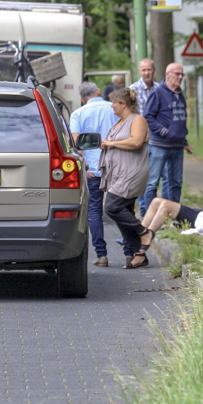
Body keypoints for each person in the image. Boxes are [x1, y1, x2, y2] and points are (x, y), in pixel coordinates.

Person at [98, 88, 152, 269]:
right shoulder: (119, 122)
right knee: (125, 212)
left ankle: (144, 232)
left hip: (132, 172)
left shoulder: (138, 120)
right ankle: (140, 253)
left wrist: (112, 143)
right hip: (118, 173)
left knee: (112, 207)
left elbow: (136, 141)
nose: (111, 105)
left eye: (114, 102)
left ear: (123, 104)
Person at [69, 82, 119, 267]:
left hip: (93, 171)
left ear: (82, 99)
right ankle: (131, 253)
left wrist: (86, 168)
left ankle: (102, 255)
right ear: (99, 92)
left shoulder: (78, 114)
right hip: (116, 168)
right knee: (122, 209)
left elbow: (76, 144)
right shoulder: (114, 109)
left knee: (94, 212)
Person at [141, 63, 194, 214]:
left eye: (182, 74)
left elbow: (179, 119)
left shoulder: (180, 94)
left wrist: (184, 142)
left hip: (177, 147)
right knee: (152, 183)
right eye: (177, 74)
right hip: (159, 145)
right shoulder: (158, 92)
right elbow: (148, 117)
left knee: (175, 183)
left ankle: (174, 215)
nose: (180, 77)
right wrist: (164, 132)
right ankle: (148, 217)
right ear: (167, 74)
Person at [129, 58, 159, 214]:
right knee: (142, 176)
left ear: (154, 70)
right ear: (139, 71)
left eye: (149, 70)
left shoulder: (160, 89)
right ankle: (144, 210)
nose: (147, 73)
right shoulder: (132, 90)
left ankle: (154, 210)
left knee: (155, 177)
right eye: (144, 70)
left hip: (159, 140)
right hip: (141, 141)